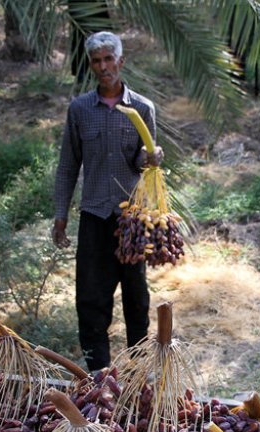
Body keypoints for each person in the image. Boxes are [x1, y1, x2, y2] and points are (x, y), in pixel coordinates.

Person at [52, 31, 164, 372]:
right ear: (91, 66)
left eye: (109, 59)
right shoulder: (80, 109)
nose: (104, 67)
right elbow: (68, 165)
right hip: (94, 216)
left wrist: (152, 158)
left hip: (131, 220)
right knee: (90, 300)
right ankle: (97, 375)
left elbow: (142, 163)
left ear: (120, 62)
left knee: (135, 298)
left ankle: (137, 374)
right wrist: (60, 216)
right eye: (97, 61)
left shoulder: (142, 108)